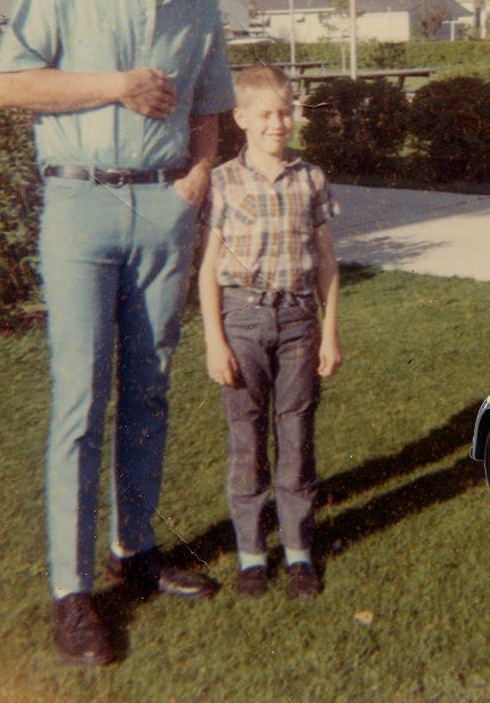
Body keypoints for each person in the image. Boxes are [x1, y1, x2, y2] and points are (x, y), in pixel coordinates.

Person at [0, 0, 234, 667]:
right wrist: (116, 85)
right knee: (81, 394)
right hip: (80, 202)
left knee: (151, 389)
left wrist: (198, 173)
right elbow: (9, 84)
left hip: (163, 206)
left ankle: (134, 548)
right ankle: (72, 592)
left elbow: (209, 105)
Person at [199, 64, 342, 600]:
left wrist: (329, 332)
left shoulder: (311, 178)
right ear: (241, 119)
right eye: (265, 114)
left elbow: (327, 263)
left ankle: (300, 550)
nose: (277, 123)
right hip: (243, 323)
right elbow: (208, 269)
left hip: (300, 322)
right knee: (246, 438)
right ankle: (252, 554)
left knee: (296, 434)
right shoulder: (222, 181)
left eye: (285, 112)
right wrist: (215, 341)